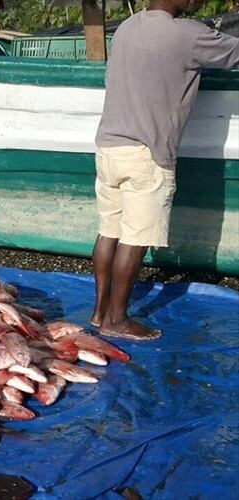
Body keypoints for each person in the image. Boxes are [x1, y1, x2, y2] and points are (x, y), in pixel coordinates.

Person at [91, 0, 239, 340]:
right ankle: (117, 320)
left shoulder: (126, 28)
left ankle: (99, 312)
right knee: (136, 239)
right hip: (147, 153)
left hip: (109, 147)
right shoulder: (189, 35)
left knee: (108, 230)